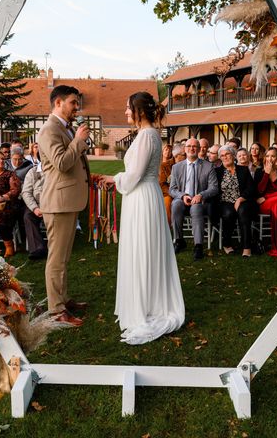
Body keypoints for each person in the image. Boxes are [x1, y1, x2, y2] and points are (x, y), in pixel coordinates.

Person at [102, 91, 184, 345]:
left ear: (139, 111)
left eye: (128, 108)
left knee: (143, 249)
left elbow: (135, 174)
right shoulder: (146, 135)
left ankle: (148, 305)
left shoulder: (148, 136)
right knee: (139, 249)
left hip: (143, 196)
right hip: (138, 197)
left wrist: (113, 179)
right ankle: (142, 301)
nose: (126, 112)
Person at [37, 85, 90, 326]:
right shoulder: (49, 129)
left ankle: (63, 299)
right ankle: (57, 310)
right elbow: (61, 163)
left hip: (68, 201)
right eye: (72, 103)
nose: (76, 107)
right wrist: (79, 141)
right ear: (58, 103)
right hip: (57, 203)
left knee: (64, 258)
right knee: (56, 260)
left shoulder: (63, 128)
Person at [170, 138, 219, 260]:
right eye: (189, 146)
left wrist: (201, 195)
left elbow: (214, 188)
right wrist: (182, 196)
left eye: (194, 146)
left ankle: (198, 246)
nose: (192, 148)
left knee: (196, 209)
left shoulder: (208, 166)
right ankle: (179, 240)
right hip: (182, 199)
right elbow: (172, 189)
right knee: (175, 205)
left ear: (199, 149)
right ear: (185, 149)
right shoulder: (177, 167)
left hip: (199, 200)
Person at [215, 146, 255, 257]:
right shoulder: (216, 172)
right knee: (229, 213)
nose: (225, 157)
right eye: (222, 155)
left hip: (242, 200)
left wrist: (241, 198)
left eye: (227, 154)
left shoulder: (243, 169)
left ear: (233, 155)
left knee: (243, 212)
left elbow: (251, 188)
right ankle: (226, 244)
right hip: (224, 201)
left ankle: (246, 247)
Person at [21, 164, 48, 260]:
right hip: (36, 204)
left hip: (53, 204)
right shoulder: (33, 172)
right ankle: (37, 249)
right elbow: (26, 192)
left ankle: (57, 245)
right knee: (28, 216)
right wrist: (35, 208)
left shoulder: (56, 170)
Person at [159, 144, 175, 225]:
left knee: (168, 200)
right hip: (160, 189)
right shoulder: (158, 163)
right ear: (162, 151)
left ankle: (168, 225)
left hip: (170, 190)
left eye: (170, 150)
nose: (168, 152)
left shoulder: (173, 164)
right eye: (166, 150)